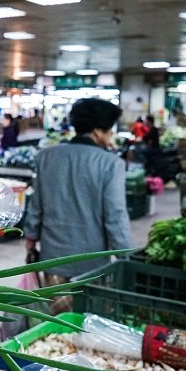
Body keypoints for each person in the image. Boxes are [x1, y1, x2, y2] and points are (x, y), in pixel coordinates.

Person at [24, 98, 133, 310]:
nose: (111, 135)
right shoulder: (111, 164)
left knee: (59, 327)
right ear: (98, 131)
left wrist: (30, 239)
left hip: (53, 259)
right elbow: (115, 217)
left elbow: (36, 205)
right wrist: (126, 257)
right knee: (89, 324)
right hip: (92, 264)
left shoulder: (47, 156)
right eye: (110, 129)